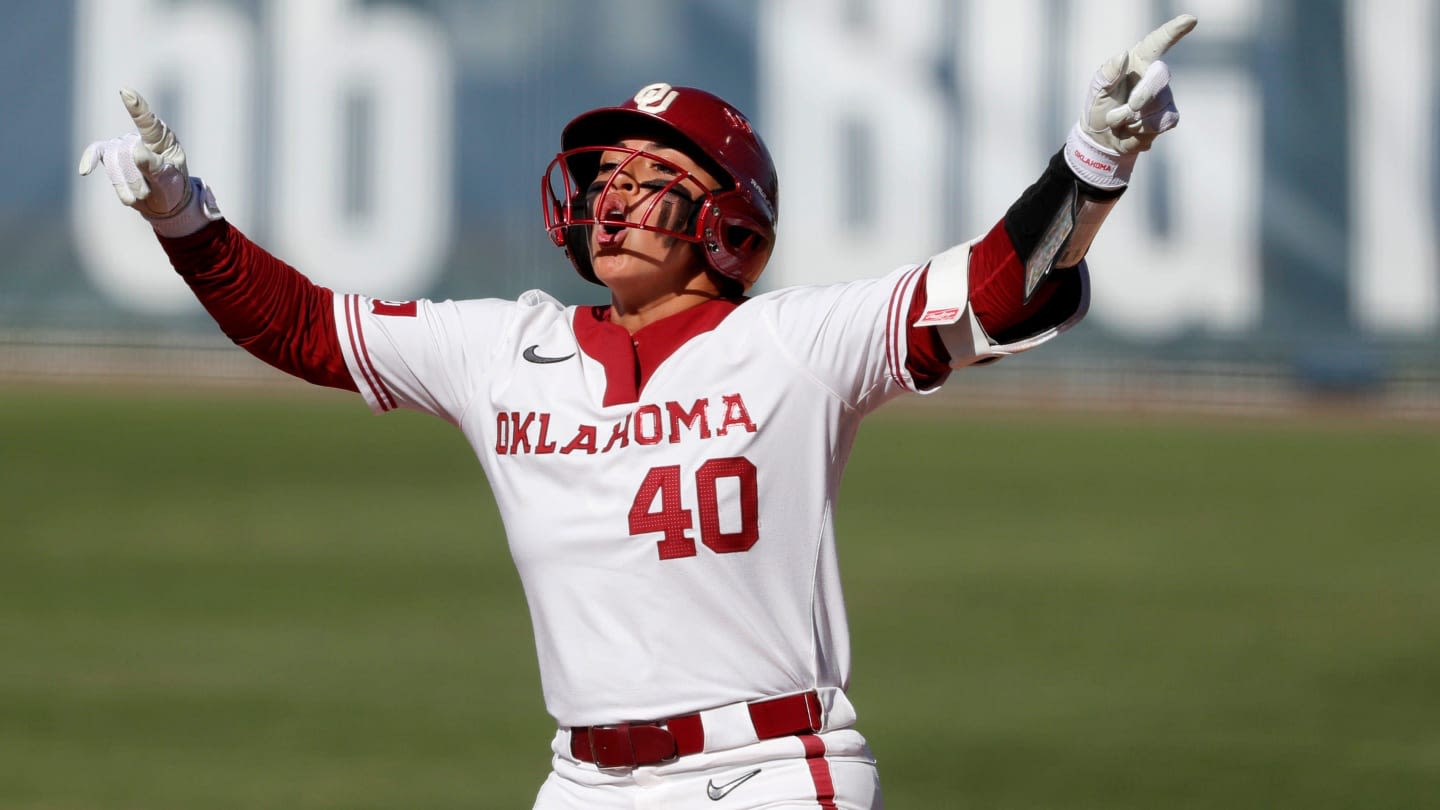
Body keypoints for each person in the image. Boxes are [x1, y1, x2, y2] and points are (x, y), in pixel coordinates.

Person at [79, 14, 1196, 810]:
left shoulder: (795, 342)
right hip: (583, 778)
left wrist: (1093, 160)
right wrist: (183, 215)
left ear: (731, 222)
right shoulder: (502, 348)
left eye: (650, 175)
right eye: (603, 175)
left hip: (767, 774)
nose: (612, 196)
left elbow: (1001, 284)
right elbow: (306, 329)